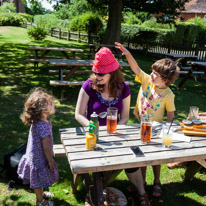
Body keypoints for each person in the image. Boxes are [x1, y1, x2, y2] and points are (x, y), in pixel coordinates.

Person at [75, 47, 150, 206]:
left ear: (112, 73)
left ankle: (142, 193)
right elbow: (78, 114)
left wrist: (114, 130)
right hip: (93, 136)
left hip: (115, 135)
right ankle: (95, 186)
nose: (97, 76)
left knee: (132, 158)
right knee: (98, 164)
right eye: (95, 72)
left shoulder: (124, 88)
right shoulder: (88, 85)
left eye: (101, 73)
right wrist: (92, 128)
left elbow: (124, 118)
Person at [115, 42, 180, 198]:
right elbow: (136, 68)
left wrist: (167, 130)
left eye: (155, 73)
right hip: (141, 125)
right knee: (142, 154)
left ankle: (157, 181)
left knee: (155, 157)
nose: (151, 74)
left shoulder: (169, 95)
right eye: (152, 71)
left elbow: (170, 114)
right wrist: (128, 53)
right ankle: (142, 182)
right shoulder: (147, 81)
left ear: (165, 79)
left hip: (156, 129)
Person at [17, 88, 59, 206]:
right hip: (39, 158)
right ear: (43, 111)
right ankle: (40, 201)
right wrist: (50, 160)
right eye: (50, 104)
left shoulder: (38, 122)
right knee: (38, 180)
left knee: (39, 179)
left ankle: (41, 194)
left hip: (35, 156)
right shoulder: (42, 126)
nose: (53, 104)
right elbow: (46, 147)